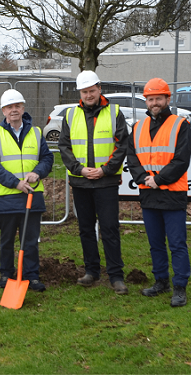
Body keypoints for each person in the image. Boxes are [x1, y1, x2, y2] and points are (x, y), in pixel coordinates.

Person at [59, 70, 130, 295]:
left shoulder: (115, 113)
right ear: (80, 92)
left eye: (92, 90)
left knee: (110, 228)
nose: (88, 95)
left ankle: (116, 275)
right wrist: (79, 169)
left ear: (100, 88)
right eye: (84, 91)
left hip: (106, 182)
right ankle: (92, 271)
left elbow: (122, 145)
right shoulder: (70, 115)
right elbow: (64, 147)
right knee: (86, 229)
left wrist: (104, 170)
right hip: (81, 182)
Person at [126, 78, 191, 307]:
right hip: (148, 194)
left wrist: (158, 179)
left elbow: (181, 160)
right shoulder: (138, 127)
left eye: (158, 98)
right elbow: (132, 157)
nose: (154, 103)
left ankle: (180, 286)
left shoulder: (180, 125)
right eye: (150, 99)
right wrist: (144, 178)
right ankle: (161, 281)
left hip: (173, 193)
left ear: (167, 99)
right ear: (146, 101)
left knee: (177, 243)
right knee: (155, 243)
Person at [0, 89, 54, 292]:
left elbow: (47, 158)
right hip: (7, 197)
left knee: (30, 240)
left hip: (32, 196)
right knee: (6, 240)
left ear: (23, 108)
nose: (13, 110)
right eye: (9, 107)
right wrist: (15, 183)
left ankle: (31, 276)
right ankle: (6, 273)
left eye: (17, 106)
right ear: (3, 110)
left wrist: (37, 173)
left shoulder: (36, 132)